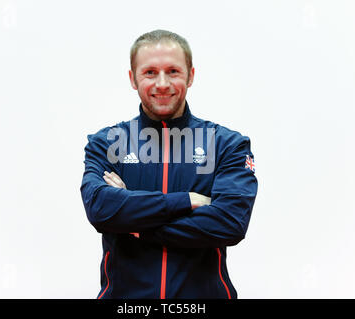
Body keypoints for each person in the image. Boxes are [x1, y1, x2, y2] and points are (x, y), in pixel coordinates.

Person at [80, 30, 258, 299]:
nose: (162, 83)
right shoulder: (107, 143)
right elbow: (101, 209)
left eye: (173, 71)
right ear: (132, 78)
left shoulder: (226, 144)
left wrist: (133, 220)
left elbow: (229, 223)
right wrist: (185, 201)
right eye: (150, 72)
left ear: (191, 75)